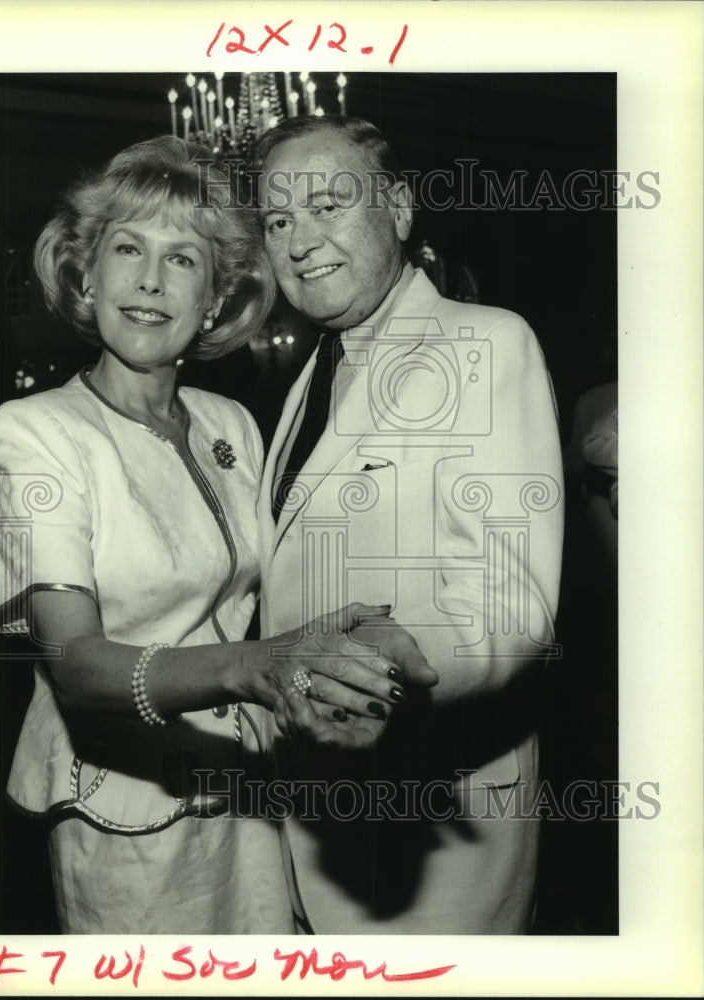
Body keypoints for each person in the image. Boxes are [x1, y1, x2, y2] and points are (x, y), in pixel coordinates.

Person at [0, 135, 435, 935]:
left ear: (217, 297)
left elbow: (281, 589)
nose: (150, 281)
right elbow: (77, 666)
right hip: (123, 811)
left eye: (183, 259)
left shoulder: (232, 423)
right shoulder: (34, 432)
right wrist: (255, 666)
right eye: (127, 248)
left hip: (251, 792)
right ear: (87, 273)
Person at [255, 116, 565, 934]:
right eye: (278, 221)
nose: (298, 241)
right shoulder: (303, 382)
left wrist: (406, 654)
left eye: (326, 205)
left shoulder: (485, 343)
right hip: (310, 820)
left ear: (396, 208)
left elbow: (513, 606)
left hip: (434, 838)